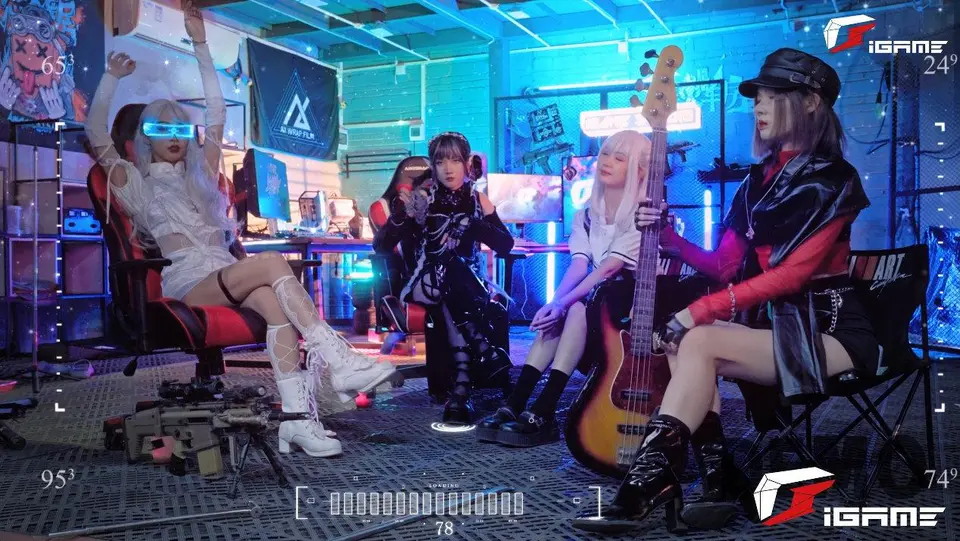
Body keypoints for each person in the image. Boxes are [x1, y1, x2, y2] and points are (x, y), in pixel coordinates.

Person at [573, 48, 876, 534]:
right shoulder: (757, 180)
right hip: (775, 328)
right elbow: (724, 265)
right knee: (686, 342)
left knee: (697, 336)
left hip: (830, 332)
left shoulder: (835, 179)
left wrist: (703, 309)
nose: (759, 106)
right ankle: (712, 476)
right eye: (757, 97)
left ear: (810, 102)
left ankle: (654, 483)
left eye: (772, 96)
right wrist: (669, 237)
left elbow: (793, 276)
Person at [84, 1, 396, 459]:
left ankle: (297, 421)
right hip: (187, 282)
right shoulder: (135, 183)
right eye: (162, 129)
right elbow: (95, 133)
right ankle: (339, 359)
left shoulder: (202, 176)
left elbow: (216, 112)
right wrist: (111, 77)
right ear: (145, 137)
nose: (174, 137)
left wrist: (201, 44)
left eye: (181, 130)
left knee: (273, 304)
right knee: (270, 262)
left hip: (222, 273)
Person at [475, 130, 657, 446]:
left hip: (629, 307)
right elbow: (579, 265)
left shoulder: (643, 214)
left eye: (619, 158)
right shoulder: (586, 215)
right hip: (595, 299)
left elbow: (609, 269)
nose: (607, 162)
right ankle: (517, 403)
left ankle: (544, 409)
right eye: (605, 153)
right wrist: (553, 305)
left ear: (640, 170)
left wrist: (562, 304)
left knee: (575, 309)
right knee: (566, 310)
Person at [373, 132, 515, 424]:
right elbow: (381, 247)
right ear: (433, 166)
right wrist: (403, 215)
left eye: (455, 160)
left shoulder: (477, 200)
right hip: (423, 282)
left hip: (468, 285)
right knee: (446, 267)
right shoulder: (422, 199)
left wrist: (474, 224)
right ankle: (481, 354)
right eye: (440, 162)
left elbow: (505, 245)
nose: (448, 169)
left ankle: (461, 383)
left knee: (451, 280)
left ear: (466, 164)